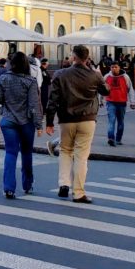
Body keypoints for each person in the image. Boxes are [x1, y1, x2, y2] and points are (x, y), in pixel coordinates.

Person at [45, 44, 108, 203]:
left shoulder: (60, 74)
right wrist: (99, 76)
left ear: (73, 57)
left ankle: (64, 184)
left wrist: (50, 122)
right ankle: (79, 192)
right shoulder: (95, 75)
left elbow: (52, 100)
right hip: (88, 119)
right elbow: (106, 91)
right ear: (87, 58)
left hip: (66, 119)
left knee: (66, 151)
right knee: (81, 156)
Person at [0, 51, 43, 199]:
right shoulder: (30, 81)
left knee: (10, 153)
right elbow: (34, 105)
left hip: (8, 120)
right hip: (26, 122)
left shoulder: (3, 78)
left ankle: (9, 188)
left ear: (11, 63)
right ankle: (27, 185)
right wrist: (38, 124)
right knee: (27, 153)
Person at [104, 62, 134, 147]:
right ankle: (111, 138)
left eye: (115, 67)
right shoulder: (107, 77)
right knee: (111, 120)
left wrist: (132, 102)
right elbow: (101, 88)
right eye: (112, 67)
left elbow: (130, 89)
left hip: (122, 102)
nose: (114, 69)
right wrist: (100, 101)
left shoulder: (125, 77)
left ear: (119, 68)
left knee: (120, 122)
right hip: (110, 102)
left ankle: (118, 139)